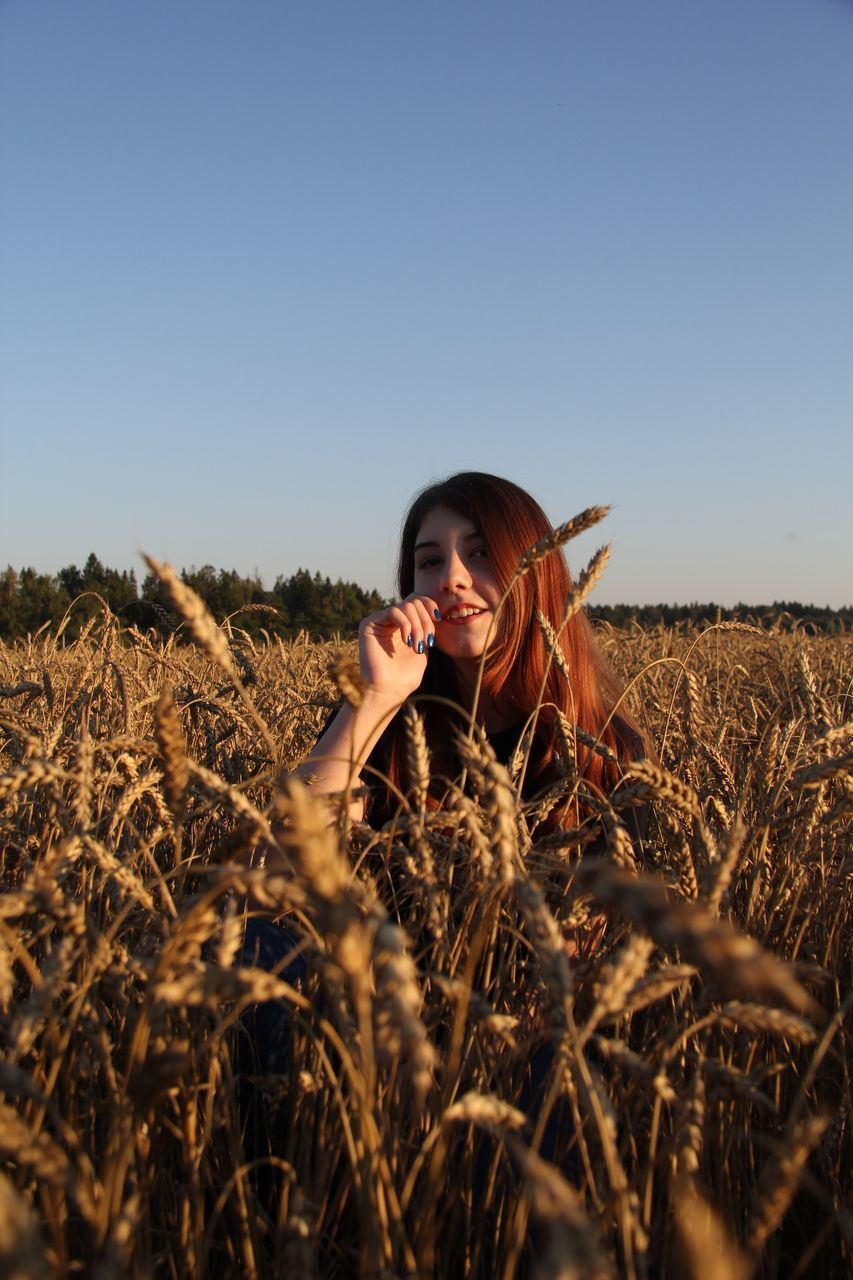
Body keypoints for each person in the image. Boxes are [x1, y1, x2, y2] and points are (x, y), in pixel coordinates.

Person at [291, 470, 647, 835]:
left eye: (482, 553)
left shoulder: (607, 750)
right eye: (430, 561)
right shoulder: (383, 729)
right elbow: (282, 873)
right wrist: (376, 698)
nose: (452, 577)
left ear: (537, 573)